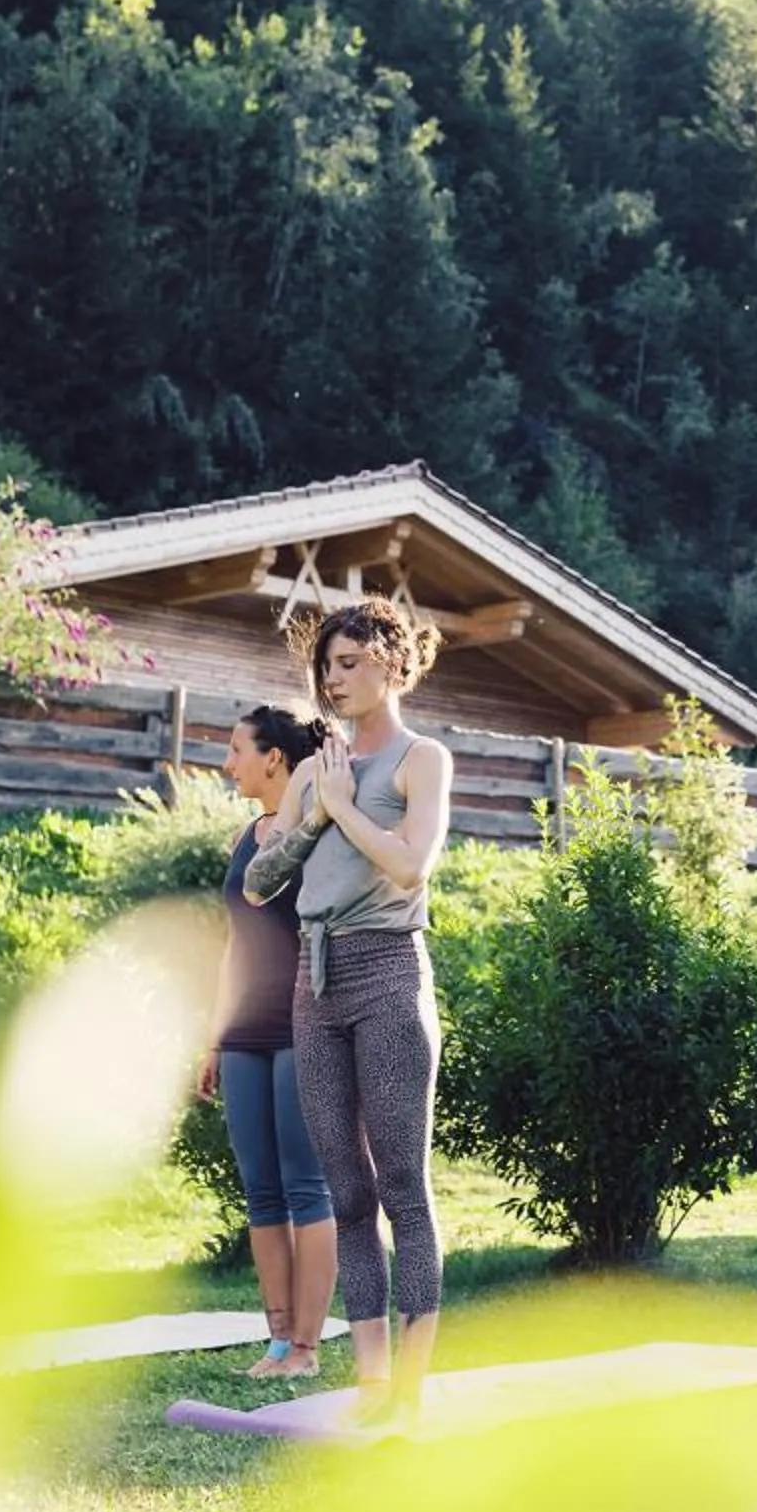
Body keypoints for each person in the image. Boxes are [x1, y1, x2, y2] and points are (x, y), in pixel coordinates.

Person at [243, 597, 454, 1421]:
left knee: (403, 1182)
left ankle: (413, 1379)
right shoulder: (309, 771)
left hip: (390, 973)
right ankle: (368, 1378)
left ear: (393, 665)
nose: (336, 679)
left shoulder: (419, 758)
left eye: (353, 662)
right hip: (315, 979)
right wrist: (308, 816)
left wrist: (343, 809)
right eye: (329, 666)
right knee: (346, 1190)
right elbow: (261, 884)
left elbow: (410, 866)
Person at [200, 704, 340, 1378]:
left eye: (236, 750)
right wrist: (212, 1036)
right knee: (261, 1192)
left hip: (303, 1024)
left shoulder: (320, 831)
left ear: (274, 759)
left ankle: (309, 1349)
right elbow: (235, 944)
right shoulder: (244, 836)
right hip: (243, 1034)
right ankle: (278, 1341)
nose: (228, 764)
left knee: (306, 1187)